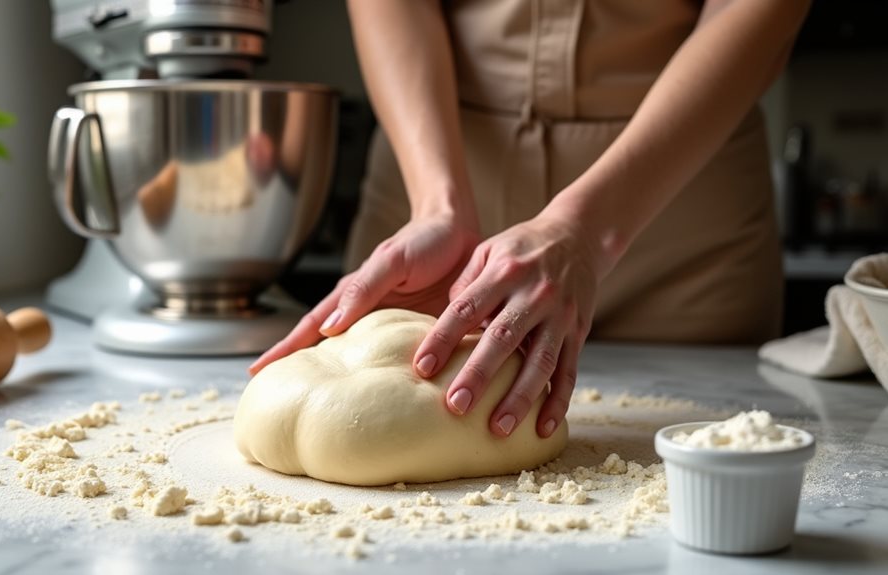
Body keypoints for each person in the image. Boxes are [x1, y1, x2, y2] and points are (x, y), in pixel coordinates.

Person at [250, 0, 810, 441]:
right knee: (362, 426)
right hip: (433, 182)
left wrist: (586, 231)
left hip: (680, 204)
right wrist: (437, 204)